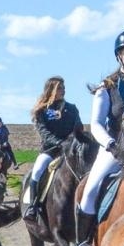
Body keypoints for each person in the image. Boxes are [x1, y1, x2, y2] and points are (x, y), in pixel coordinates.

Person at [71, 29, 124, 246]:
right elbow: (96, 124)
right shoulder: (107, 87)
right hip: (117, 150)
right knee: (90, 189)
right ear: (119, 56)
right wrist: (112, 145)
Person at [22, 77, 85, 222]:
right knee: (37, 171)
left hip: (71, 150)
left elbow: (78, 127)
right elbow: (44, 132)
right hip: (50, 151)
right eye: (60, 88)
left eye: (64, 88)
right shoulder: (42, 111)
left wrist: (73, 141)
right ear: (51, 90)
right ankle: (33, 206)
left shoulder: (72, 108)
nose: (63, 90)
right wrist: (59, 143)